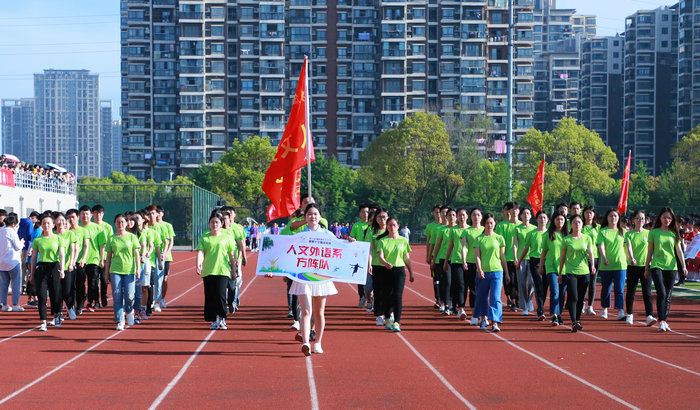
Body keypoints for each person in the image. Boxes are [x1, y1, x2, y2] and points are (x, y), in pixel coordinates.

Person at [285, 204, 349, 355]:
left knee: (319, 313)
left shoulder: (327, 234)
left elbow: (341, 248)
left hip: (321, 277)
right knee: (306, 311)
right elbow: (287, 253)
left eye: (315, 214)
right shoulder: (300, 236)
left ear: (320, 217)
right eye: (309, 214)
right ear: (305, 217)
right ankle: (305, 342)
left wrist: (350, 242)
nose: (312, 217)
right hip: (303, 277)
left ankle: (318, 343)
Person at [196, 212, 240, 331]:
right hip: (208, 270)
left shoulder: (226, 237)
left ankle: (222, 318)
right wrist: (198, 264)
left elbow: (231, 255)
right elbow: (201, 251)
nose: (214, 224)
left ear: (221, 224)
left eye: (217, 222)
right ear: (209, 223)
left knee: (220, 295)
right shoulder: (205, 237)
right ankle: (213, 320)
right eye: (212, 222)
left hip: (223, 270)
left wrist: (234, 270)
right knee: (210, 296)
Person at [645, 207, 687, 332]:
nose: (667, 220)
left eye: (669, 218)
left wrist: (683, 266)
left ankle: (664, 320)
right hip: (657, 265)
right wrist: (647, 268)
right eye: (664, 217)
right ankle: (662, 320)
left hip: (671, 266)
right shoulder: (654, 232)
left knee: (668, 295)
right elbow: (650, 251)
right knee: (661, 293)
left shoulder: (674, 233)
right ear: (660, 218)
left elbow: (679, 251)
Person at [558, 214, 596, 332]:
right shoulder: (566, 239)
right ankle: (574, 321)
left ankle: (577, 320)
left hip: (584, 272)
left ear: (582, 224)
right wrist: (560, 273)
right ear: (571, 225)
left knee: (580, 298)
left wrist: (593, 266)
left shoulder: (587, 238)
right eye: (574, 222)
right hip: (570, 272)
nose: (577, 224)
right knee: (573, 297)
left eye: (579, 222)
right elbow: (563, 257)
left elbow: (591, 253)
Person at [377, 216, 414, 332]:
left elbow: (406, 257)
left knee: (398, 296)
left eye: (394, 225)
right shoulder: (383, 241)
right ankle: (387, 317)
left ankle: (397, 322)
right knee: (387, 295)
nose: (392, 227)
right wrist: (385, 262)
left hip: (399, 271)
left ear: (398, 226)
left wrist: (411, 272)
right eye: (389, 225)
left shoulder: (403, 240)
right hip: (386, 270)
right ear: (386, 227)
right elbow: (380, 256)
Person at [105, 214, 141, 330]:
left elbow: (136, 254)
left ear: (126, 223)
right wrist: (106, 273)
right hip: (115, 270)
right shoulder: (111, 239)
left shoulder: (132, 237)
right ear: (115, 224)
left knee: (130, 296)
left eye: (122, 222)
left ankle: (129, 311)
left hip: (129, 270)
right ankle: (120, 320)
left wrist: (138, 269)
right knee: (117, 295)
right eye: (118, 222)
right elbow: (109, 258)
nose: (120, 224)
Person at [474, 213, 509, 332]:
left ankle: (495, 322)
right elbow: (477, 256)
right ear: (484, 224)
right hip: (483, 272)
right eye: (487, 223)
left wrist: (507, 273)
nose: (489, 225)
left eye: (492, 223)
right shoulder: (479, 239)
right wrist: (479, 269)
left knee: (495, 297)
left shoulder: (499, 238)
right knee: (482, 297)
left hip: (497, 271)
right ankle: (483, 319)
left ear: (495, 224)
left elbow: (503, 257)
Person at [29, 214, 65, 331]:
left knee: (55, 294)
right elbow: (34, 258)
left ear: (53, 224)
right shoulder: (38, 240)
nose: (46, 225)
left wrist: (62, 269)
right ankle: (43, 321)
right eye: (44, 223)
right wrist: (32, 273)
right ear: (41, 225)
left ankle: (56, 315)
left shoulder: (59, 238)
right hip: (42, 268)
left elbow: (62, 255)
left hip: (54, 267)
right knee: (42, 296)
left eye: (48, 223)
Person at [625, 210, 656, 326]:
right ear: (633, 220)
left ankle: (649, 315)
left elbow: (651, 249)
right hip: (633, 266)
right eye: (638, 218)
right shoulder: (629, 234)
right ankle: (630, 314)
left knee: (647, 292)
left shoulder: (649, 233)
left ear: (646, 220)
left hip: (646, 266)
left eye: (642, 218)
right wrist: (632, 258)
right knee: (631, 291)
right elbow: (629, 247)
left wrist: (650, 263)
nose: (640, 220)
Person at [597, 209, 628, 321]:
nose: (613, 218)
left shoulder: (623, 231)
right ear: (607, 218)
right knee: (606, 288)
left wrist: (631, 257)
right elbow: (601, 246)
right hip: (606, 265)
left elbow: (628, 246)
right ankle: (604, 308)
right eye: (611, 216)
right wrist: (604, 258)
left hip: (620, 264)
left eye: (615, 216)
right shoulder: (603, 231)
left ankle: (620, 310)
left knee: (619, 288)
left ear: (618, 218)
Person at [517, 211, 548, 321]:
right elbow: (526, 248)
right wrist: (520, 260)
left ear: (547, 220)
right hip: (535, 261)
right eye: (540, 218)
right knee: (538, 285)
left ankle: (541, 306)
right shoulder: (531, 233)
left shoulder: (550, 233)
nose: (542, 220)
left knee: (545, 286)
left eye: (544, 218)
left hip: (548, 262)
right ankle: (540, 310)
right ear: (536, 219)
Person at [539, 211, 569, 326]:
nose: (560, 221)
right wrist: (541, 266)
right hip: (551, 267)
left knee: (562, 293)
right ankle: (554, 315)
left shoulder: (568, 235)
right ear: (553, 221)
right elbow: (544, 252)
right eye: (557, 219)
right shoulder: (548, 235)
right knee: (555, 291)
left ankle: (559, 314)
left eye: (562, 219)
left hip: (566, 268)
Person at [78, 205, 107, 312]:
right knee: (80, 282)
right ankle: (81, 301)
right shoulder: (77, 228)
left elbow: (102, 245)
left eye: (87, 214)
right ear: (80, 215)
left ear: (91, 215)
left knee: (93, 282)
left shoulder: (98, 228)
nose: (85, 216)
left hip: (94, 259)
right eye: (83, 214)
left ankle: (92, 301)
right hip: (80, 259)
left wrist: (101, 259)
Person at [445, 208, 469, 320]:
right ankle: (461, 308)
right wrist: (446, 261)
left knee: (465, 286)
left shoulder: (470, 230)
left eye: (463, 215)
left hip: (470, 261)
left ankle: (459, 304)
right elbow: (450, 246)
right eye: (459, 215)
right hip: (456, 261)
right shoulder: (453, 230)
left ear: (467, 216)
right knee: (459, 284)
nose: (461, 217)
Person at [462, 207, 484, 325]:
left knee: (483, 290)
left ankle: (483, 314)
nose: (476, 217)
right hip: (471, 263)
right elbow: (464, 246)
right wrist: (464, 259)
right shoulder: (467, 231)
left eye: (478, 215)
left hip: (484, 264)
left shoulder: (485, 230)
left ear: (481, 217)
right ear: (471, 217)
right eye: (474, 215)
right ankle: (474, 314)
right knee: (473, 289)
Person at [432, 207, 456, 314]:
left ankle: (454, 304)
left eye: (453, 215)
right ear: (445, 217)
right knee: (447, 282)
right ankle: (446, 304)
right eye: (449, 215)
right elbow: (437, 245)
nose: (451, 217)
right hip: (443, 258)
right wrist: (433, 259)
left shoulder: (462, 229)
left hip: (457, 259)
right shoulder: (442, 230)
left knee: (457, 283)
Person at [495, 202, 518, 311]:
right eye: (507, 209)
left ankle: (516, 298)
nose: (509, 212)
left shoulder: (521, 225)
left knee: (519, 282)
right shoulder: (501, 226)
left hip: (521, 258)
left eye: (512, 209)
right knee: (510, 280)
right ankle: (511, 299)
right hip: (506, 258)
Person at [54, 212, 77, 320]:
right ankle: (58, 312)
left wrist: (72, 263)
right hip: (54, 266)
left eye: (63, 220)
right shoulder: (52, 234)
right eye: (58, 220)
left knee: (67, 290)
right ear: (54, 222)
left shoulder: (70, 234)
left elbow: (72, 250)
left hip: (67, 266)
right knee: (56, 291)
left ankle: (70, 306)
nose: (61, 222)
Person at [0, 213, 25, 311]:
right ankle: (15, 304)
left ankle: (4, 304)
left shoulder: (1, 231)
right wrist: (22, 242)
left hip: (1, 262)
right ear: (14, 224)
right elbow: (18, 246)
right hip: (13, 261)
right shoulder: (12, 232)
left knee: (3, 284)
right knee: (15, 283)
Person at [367, 208, 389, 321]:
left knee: (389, 291)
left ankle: (389, 313)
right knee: (378, 290)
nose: (382, 219)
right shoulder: (372, 232)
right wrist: (369, 264)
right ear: (376, 218)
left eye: (384, 216)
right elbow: (370, 250)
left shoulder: (392, 231)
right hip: (377, 264)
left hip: (390, 265)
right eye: (379, 217)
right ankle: (379, 314)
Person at [66, 209, 88, 318]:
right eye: (69, 217)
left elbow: (86, 246)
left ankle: (79, 305)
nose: (71, 219)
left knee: (79, 285)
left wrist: (83, 259)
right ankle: (71, 306)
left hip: (79, 263)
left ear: (77, 218)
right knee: (69, 286)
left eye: (73, 217)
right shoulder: (66, 231)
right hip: (68, 264)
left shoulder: (83, 231)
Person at [514, 208, 536, 315]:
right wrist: (515, 257)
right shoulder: (517, 229)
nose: (526, 215)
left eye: (528, 213)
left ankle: (529, 300)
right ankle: (524, 307)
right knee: (522, 282)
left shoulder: (534, 228)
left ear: (531, 216)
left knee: (532, 281)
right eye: (524, 213)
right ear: (521, 216)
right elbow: (514, 244)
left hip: (532, 258)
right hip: (521, 259)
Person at [92, 205, 113, 309]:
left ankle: (103, 295)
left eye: (100, 213)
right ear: (92, 214)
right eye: (96, 213)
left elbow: (110, 242)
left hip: (105, 257)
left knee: (104, 278)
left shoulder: (108, 227)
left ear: (103, 214)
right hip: (93, 257)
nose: (98, 215)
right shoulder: (90, 226)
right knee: (94, 280)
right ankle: (96, 300)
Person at [349, 204, 370, 308]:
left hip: (371, 254)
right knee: (359, 278)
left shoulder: (372, 225)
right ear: (359, 213)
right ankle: (362, 297)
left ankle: (370, 297)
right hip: (359, 255)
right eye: (363, 212)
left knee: (370, 277)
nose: (365, 214)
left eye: (367, 212)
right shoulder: (356, 225)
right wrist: (351, 239)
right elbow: (352, 237)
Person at [156, 205, 175, 309]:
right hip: (154, 255)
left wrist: (166, 252)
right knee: (153, 280)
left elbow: (171, 241)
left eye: (159, 212)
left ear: (162, 214)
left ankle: (162, 298)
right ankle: (155, 299)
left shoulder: (167, 226)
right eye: (156, 212)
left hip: (165, 257)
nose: (158, 214)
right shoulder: (151, 226)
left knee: (164, 279)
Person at [581, 205, 600, 315]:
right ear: (584, 214)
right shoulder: (580, 226)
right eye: (587, 212)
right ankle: (582, 303)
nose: (589, 214)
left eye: (591, 212)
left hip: (595, 257)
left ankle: (590, 306)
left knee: (593, 283)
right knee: (584, 282)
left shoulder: (597, 227)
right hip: (582, 258)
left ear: (594, 214)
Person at [18, 211, 39, 306]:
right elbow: (31, 236)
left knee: (24, 268)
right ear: (33, 217)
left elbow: (19, 233)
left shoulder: (21, 222)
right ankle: (28, 289)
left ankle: (23, 286)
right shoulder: (30, 223)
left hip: (23, 247)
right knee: (30, 270)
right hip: (29, 248)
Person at [424, 205, 442, 309]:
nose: (439, 214)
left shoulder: (448, 226)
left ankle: (447, 299)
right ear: (433, 213)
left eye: (440, 212)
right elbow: (429, 242)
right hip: (434, 255)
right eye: (436, 212)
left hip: (446, 257)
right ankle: (438, 299)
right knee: (436, 278)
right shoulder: (430, 226)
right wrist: (428, 255)